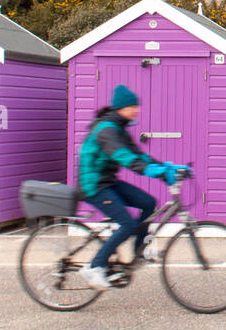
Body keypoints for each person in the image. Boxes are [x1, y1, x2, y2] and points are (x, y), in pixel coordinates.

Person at [78, 84, 188, 290]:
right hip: (93, 184)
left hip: (107, 180)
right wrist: (151, 171)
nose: (137, 110)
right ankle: (94, 267)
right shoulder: (106, 130)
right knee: (127, 223)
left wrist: (166, 167)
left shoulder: (119, 128)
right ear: (122, 107)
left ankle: (139, 251)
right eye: (133, 106)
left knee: (148, 202)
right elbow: (124, 156)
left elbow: (138, 155)